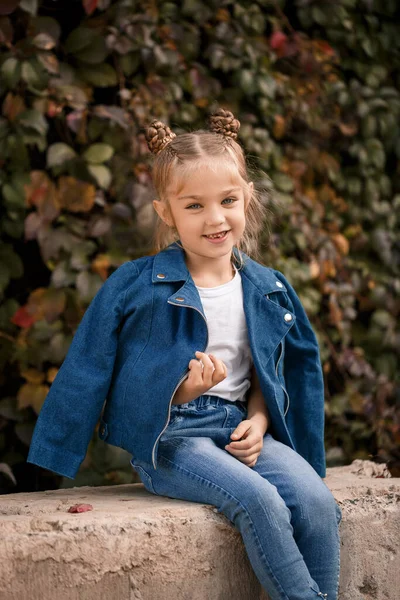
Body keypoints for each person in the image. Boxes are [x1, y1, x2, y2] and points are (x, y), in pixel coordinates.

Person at [28, 108, 342, 600]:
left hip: (239, 428)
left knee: (317, 503)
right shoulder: (138, 284)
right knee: (261, 502)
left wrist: (259, 423)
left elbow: (277, 374)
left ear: (247, 198)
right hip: (172, 440)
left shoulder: (268, 287)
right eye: (194, 206)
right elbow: (88, 366)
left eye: (227, 201)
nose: (215, 219)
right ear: (165, 212)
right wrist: (182, 390)